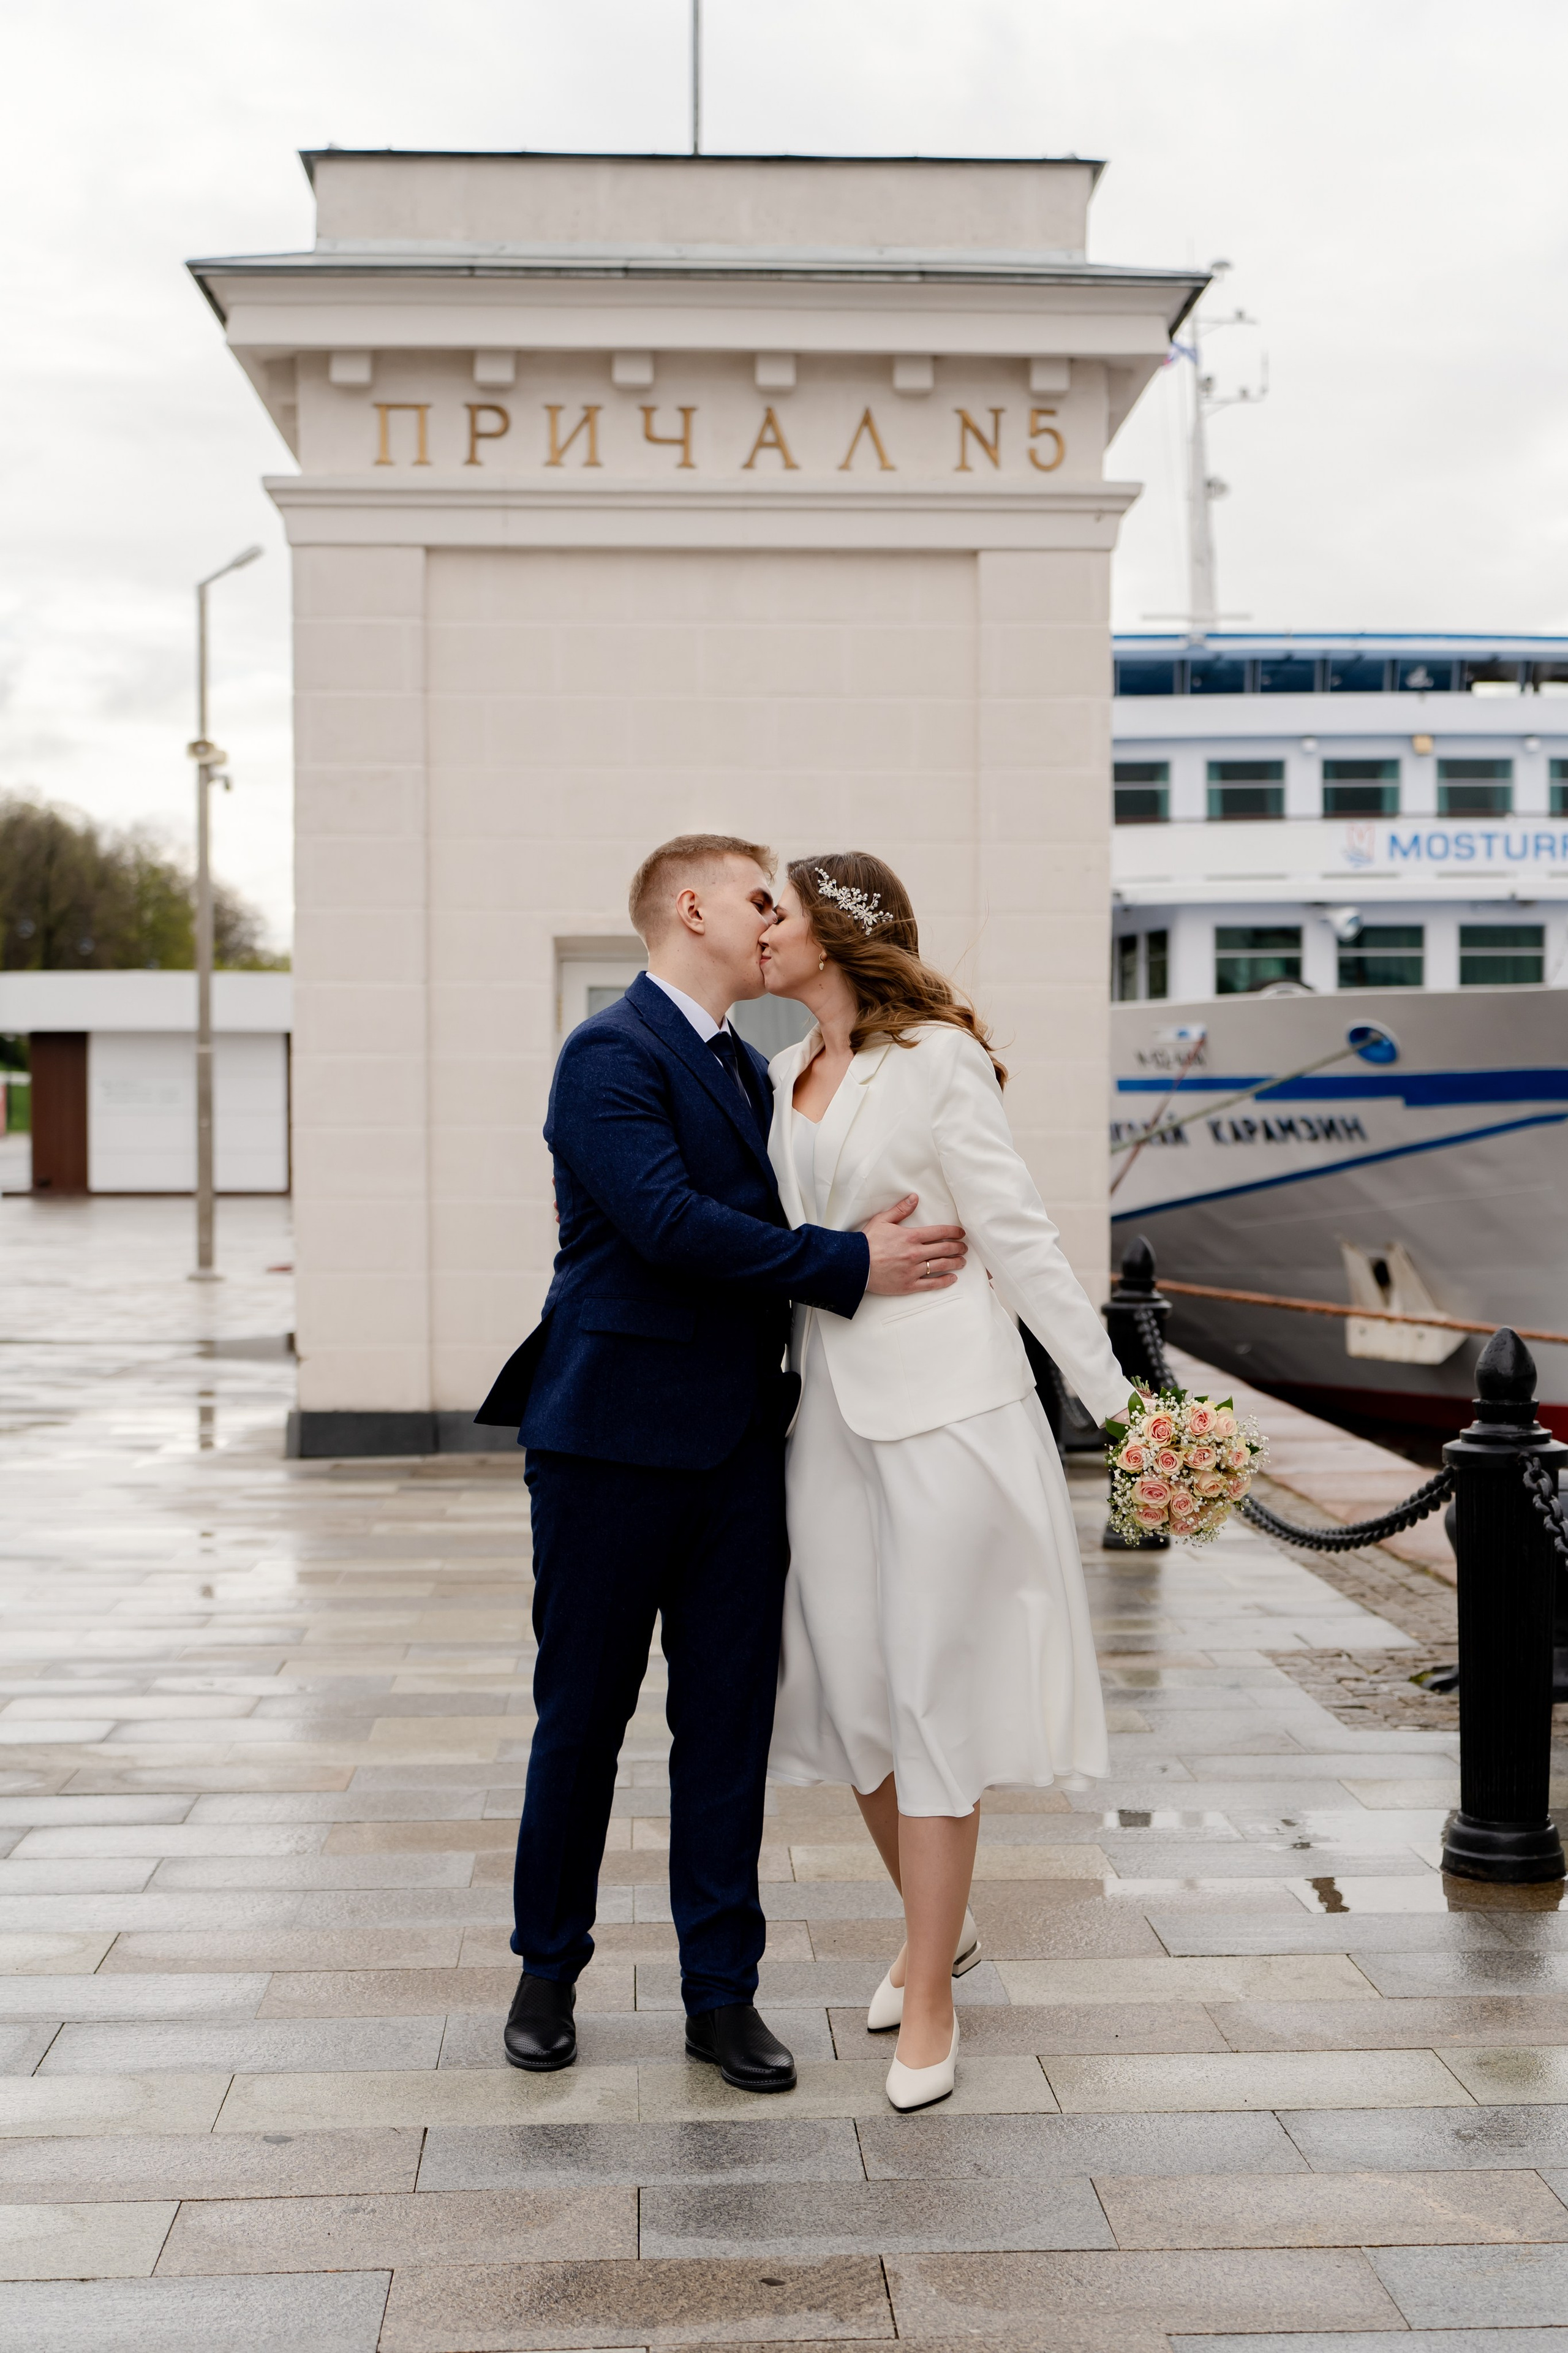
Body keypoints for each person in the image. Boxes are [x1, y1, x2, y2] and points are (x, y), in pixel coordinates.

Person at [475, 833, 968, 2093]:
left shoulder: (756, 1073)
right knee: (580, 1719)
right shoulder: (605, 1053)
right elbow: (669, 1227)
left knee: (726, 1733)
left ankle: (719, 1994)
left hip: (743, 1445)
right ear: (688, 906)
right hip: (604, 1442)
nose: (773, 918)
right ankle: (544, 1971)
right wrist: (848, 1263)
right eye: (758, 896)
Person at [759, 852, 1130, 2112]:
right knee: (847, 1699)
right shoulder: (776, 1072)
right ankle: (942, 1926)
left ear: (834, 932)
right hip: (824, 1418)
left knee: (927, 1696)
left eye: (780, 908)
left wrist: (1126, 1407)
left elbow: (1016, 1234)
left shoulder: (937, 1063)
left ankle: (930, 1989)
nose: (763, 925)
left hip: (949, 1416)